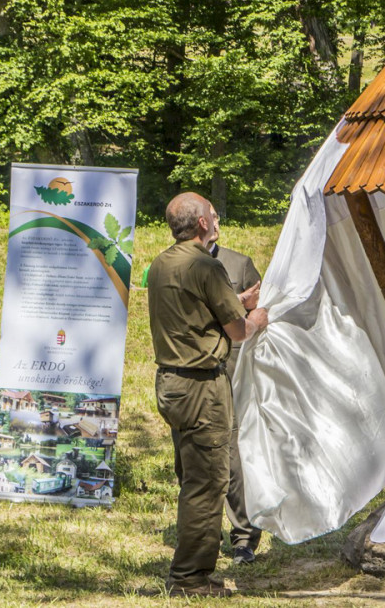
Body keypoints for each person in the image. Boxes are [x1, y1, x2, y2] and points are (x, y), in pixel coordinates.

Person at [148, 192, 268, 597]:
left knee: (191, 477)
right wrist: (257, 316)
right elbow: (237, 332)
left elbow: (194, 313)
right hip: (202, 386)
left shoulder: (162, 263)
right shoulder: (207, 264)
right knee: (208, 482)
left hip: (171, 383)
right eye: (211, 217)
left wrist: (236, 301)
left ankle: (193, 569)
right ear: (202, 223)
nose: (216, 222)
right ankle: (189, 579)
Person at [206, 205, 264, 565]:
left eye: (218, 214)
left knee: (233, 457)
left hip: (232, 374)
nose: (217, 221)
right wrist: (235, 305)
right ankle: (202, 534)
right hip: (191, 377)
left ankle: (244, 536)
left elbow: (264, 314)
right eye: (211, 215)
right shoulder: (174, 264)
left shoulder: (239, 264)